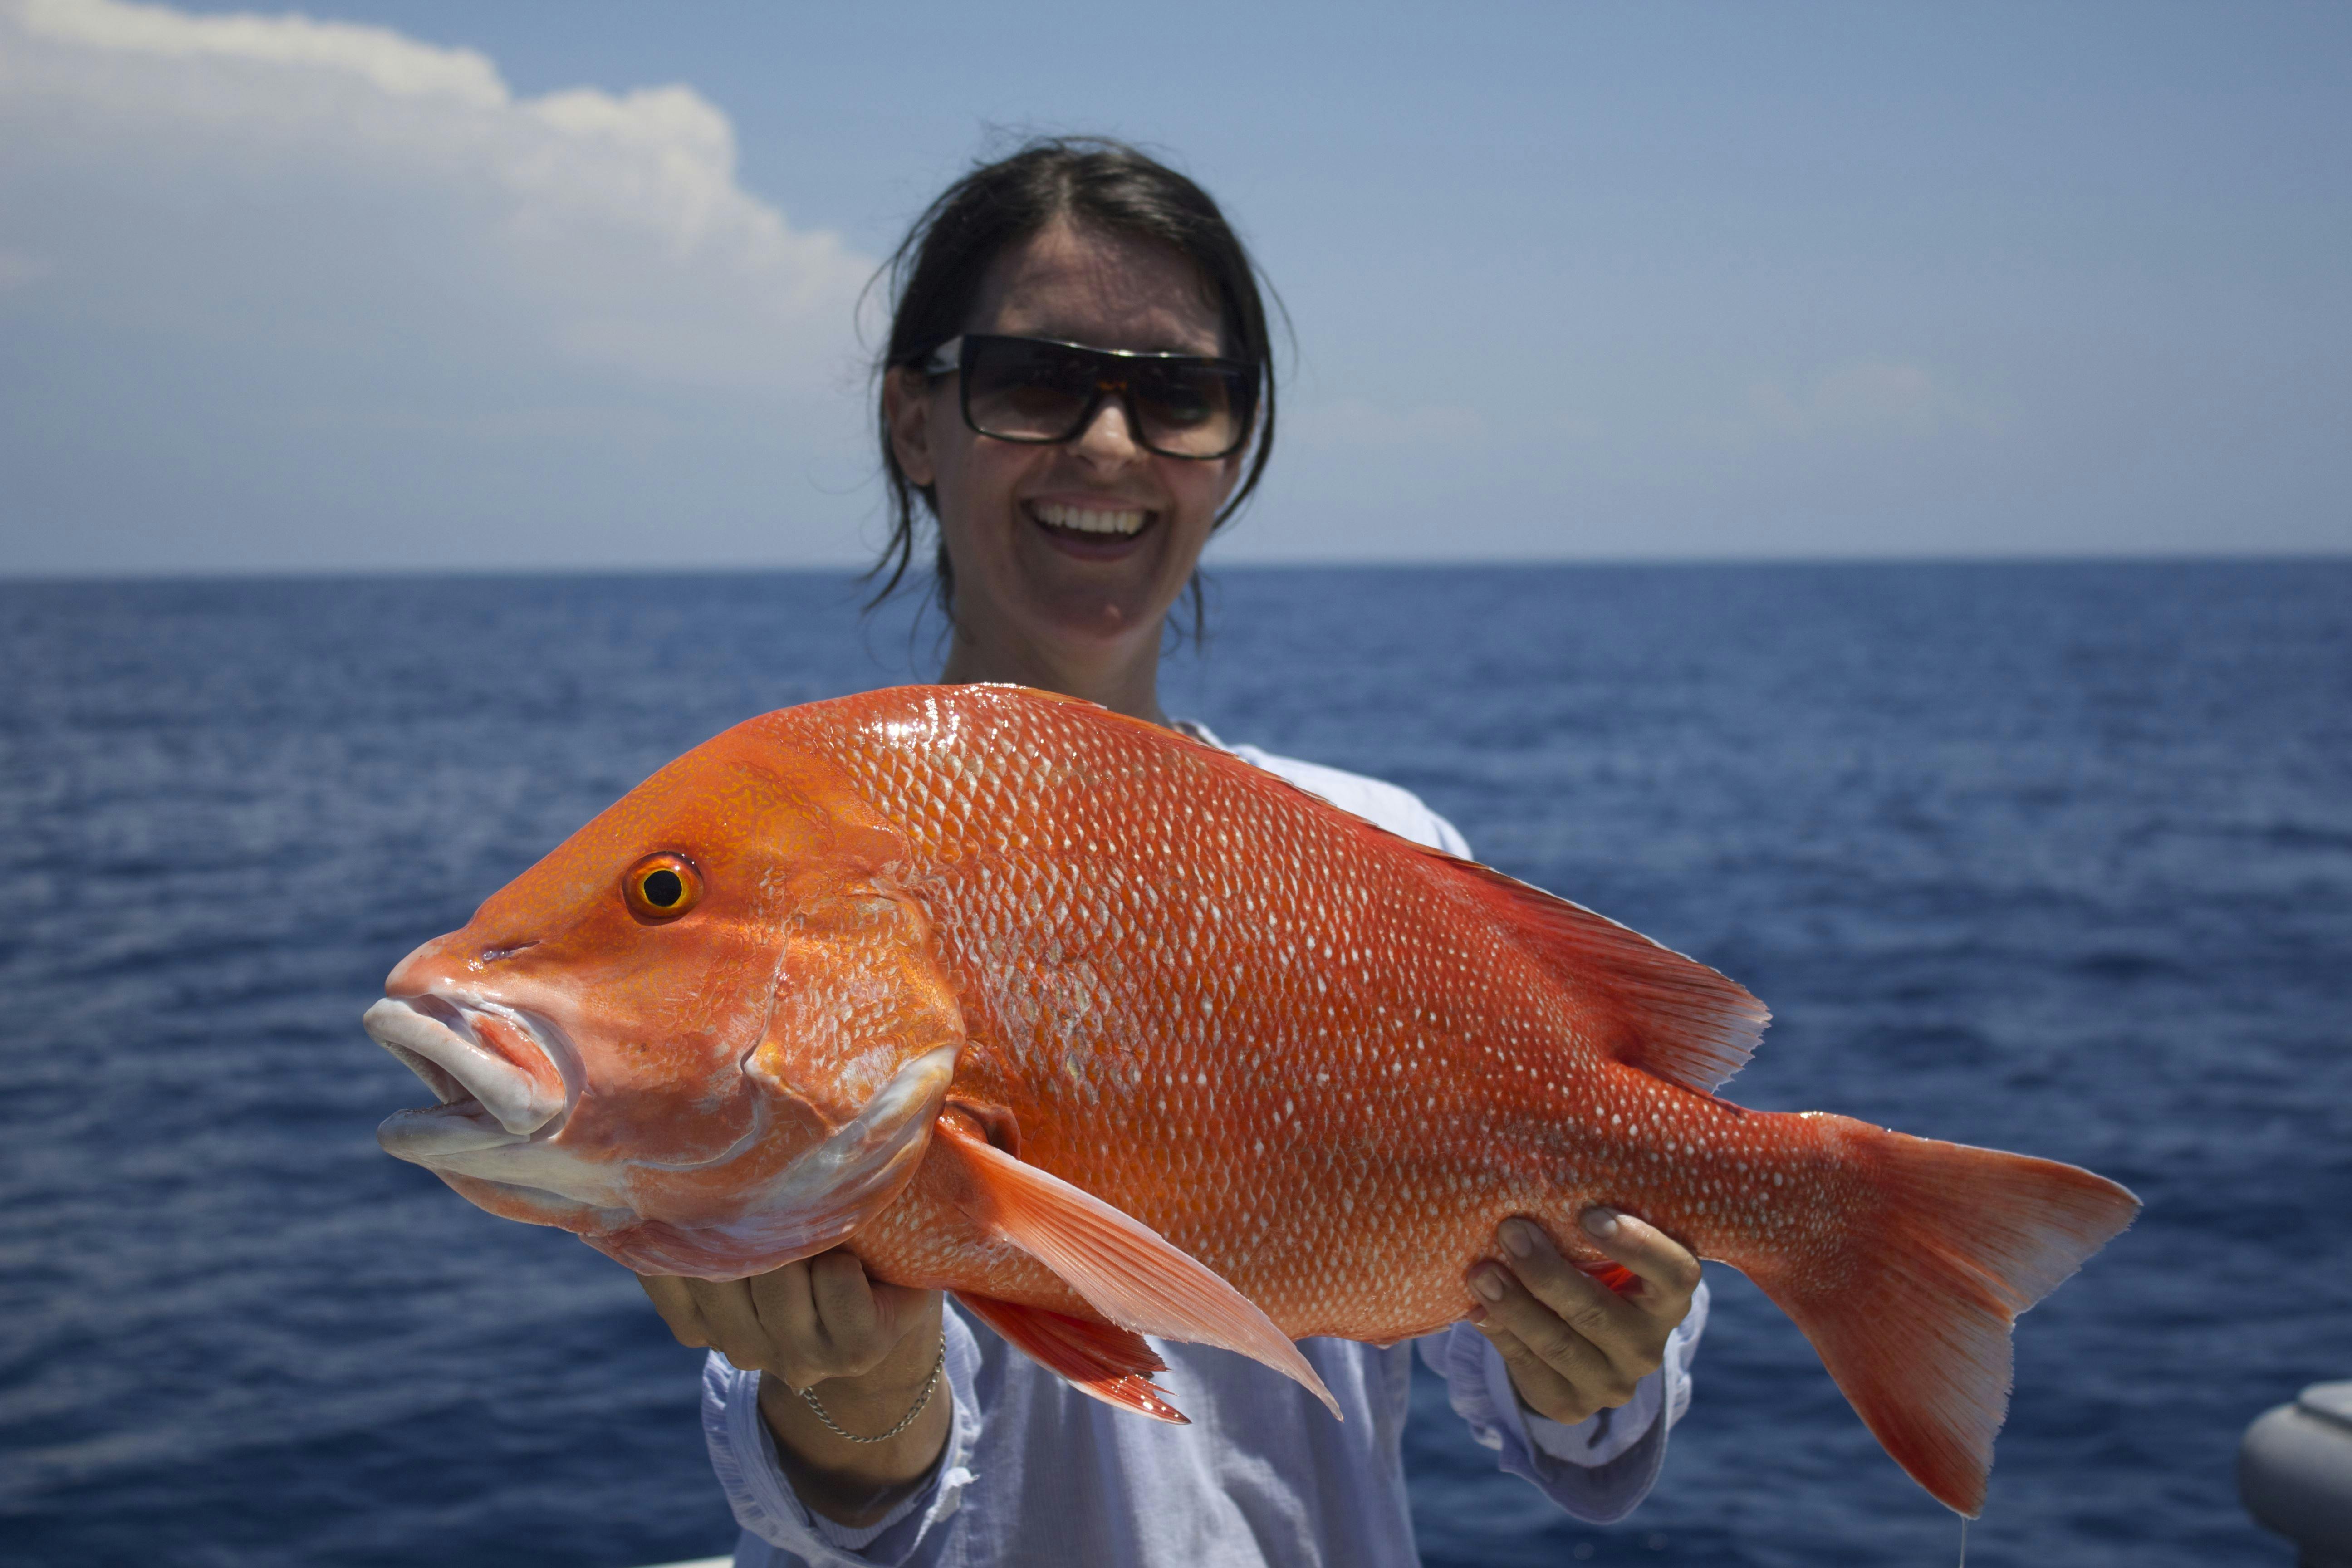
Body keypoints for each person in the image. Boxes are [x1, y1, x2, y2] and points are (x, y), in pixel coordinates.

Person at [635, 137, 1708, 1568]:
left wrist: (1598, 1358)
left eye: (1180, 397)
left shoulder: (1385, 849)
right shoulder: (798, 863)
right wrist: (855, 1397)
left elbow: (1567, 1418)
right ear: (913, 421)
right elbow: (850, 1506)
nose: (1109, 444)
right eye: (1036, 381)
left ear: (1235, 448)